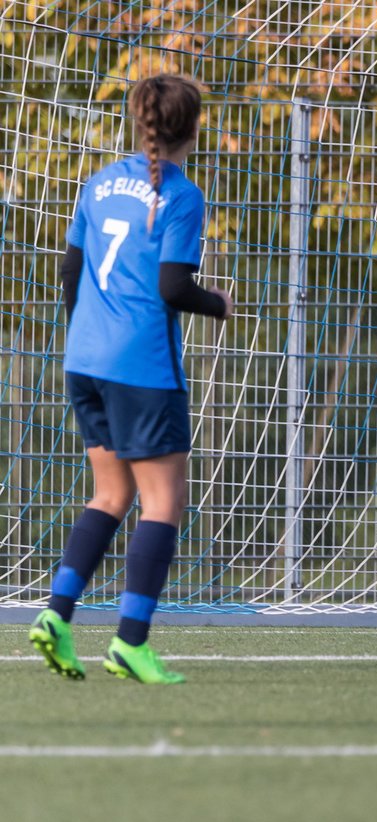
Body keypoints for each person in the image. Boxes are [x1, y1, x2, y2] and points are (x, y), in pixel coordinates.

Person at [28, 74, 232, 684]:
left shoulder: (96, 183)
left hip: (84, 359)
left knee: (110, 495)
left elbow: (70, 272)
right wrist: (218, 304)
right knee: (163, 501)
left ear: (138, 121)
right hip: (141, 366)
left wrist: (91, 333)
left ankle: (57, 616)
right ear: (192, 129)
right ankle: (131, 642)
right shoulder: (182, 195)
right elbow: (173, 287)